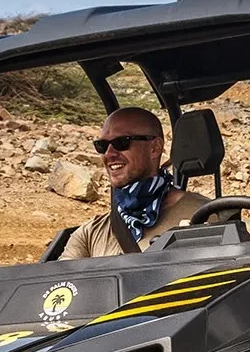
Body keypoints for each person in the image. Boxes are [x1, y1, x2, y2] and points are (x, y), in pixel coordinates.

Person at [59, 108, 210, 259]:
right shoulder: (89, 234)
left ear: (155, 148)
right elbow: (62, 281)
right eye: (102, 146)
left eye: (121, 142)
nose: (109, 154)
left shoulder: (206, 216)